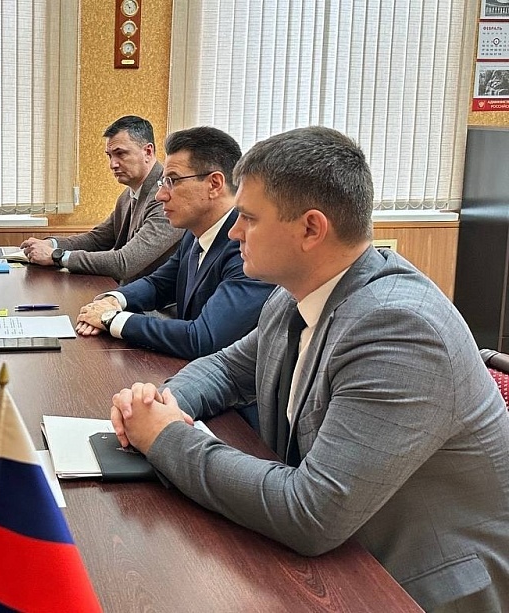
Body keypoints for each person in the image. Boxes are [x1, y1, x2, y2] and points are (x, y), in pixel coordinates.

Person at [110, 126, 509, 612]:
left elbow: (311, 512)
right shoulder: (296, 294)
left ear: (311, 229)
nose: (233, 232)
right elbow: (226, 368)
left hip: (416, 585)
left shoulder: (398, 327)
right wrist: (162, 402)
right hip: (343, 554)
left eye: (249, 218)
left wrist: (166, 437)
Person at [74, 126, 274, 361]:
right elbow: (158, 284)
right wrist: (113, 300)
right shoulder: (195, 232)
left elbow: (202, 338)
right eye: (163, 182)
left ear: (214, 184)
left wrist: (111, 319)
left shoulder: (247, 246)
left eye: (173, 181)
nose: (161, 195)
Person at [20, 115, 184, 284]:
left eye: (120, 154)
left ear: (148, 152)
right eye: (110, 156)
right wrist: (52, 244)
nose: (113, 164)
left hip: (151, 297)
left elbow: (125, 262)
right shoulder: (127, 195)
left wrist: (57, 256)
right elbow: (97, 239)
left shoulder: (166, 197)